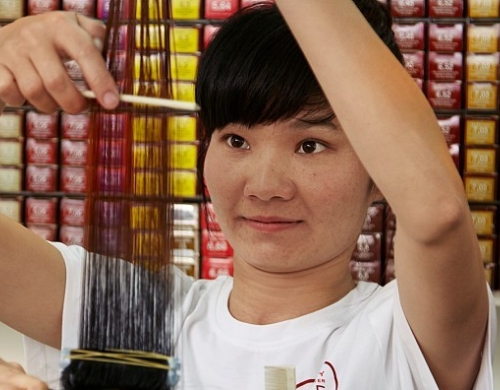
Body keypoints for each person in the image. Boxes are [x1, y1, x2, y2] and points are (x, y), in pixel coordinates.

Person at [0, 0, 495, 389]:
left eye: (310, 145)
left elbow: (438, 214)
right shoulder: (139, 320)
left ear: (378, 172)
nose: (264, 188)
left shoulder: (403, 335)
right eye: (236, 140)